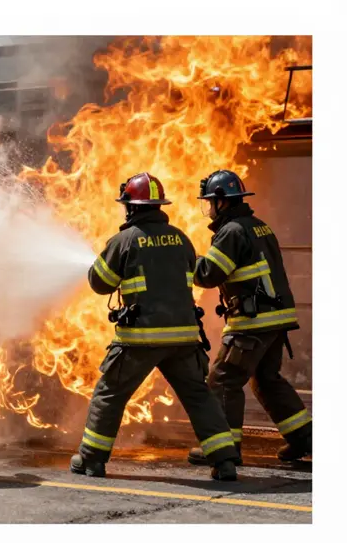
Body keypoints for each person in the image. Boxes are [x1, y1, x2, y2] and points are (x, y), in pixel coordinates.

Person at [71, 173, 240, 481]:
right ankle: (225, 460)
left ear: (131, 208)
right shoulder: (180, 238)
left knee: (110, 394)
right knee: (199, 396)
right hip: (184, 339)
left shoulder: (124, 240)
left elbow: (100, 282)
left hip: (140, 340)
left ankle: (92, 459)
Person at [188, 170, 311, 465]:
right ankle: (305, 440)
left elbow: (208, 274)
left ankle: (224, 449)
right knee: (267, 380)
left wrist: (182, 259)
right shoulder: (258, 226)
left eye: (210, 203)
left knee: (223, 379)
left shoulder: (232, 232)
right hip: (274, 319)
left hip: (253, 322)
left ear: (222, 202)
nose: (209, 209)